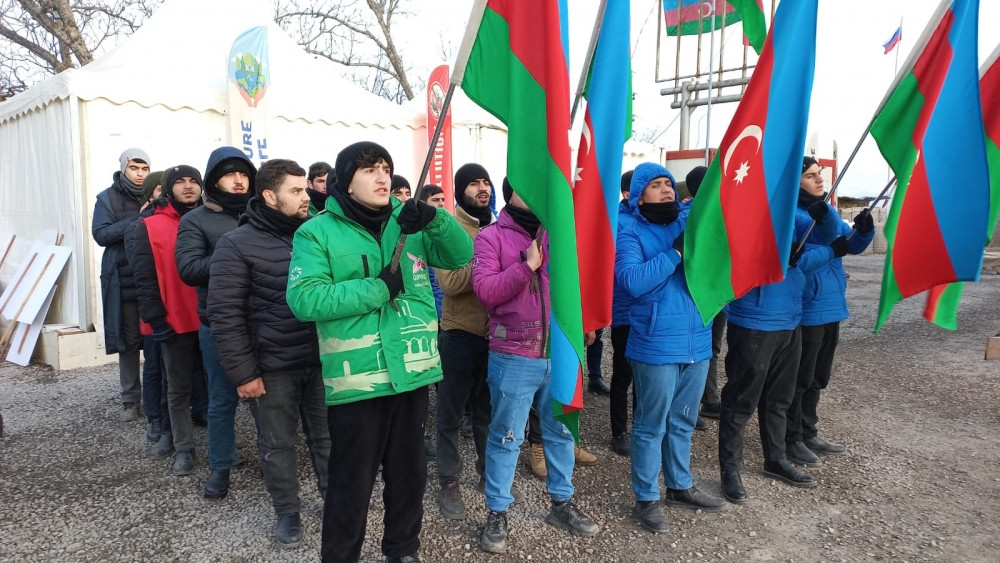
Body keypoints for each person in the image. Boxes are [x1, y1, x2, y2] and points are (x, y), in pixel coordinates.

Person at [286, 141, 473, 563]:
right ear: (345, 182)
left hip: (412, 369)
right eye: (370, 169)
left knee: (409, 475)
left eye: (386, 168)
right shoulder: (315, 232)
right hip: (359, 380)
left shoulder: (409, 224)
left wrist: (435, 219)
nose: (382, 176)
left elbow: (463, 255)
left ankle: (403, 549)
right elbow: (305, 299)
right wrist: (377, 289)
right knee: (351, 481)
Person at [473, 177, 600, 554]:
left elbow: (578, 284)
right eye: (526, 184)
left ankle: (561, 503)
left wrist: (586, 324)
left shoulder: (561, 233)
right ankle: (497, 511)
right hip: (514, 353)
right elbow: (486, 293)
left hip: (559, 351)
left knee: (560, 433)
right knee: (507, 436)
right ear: (510, 189)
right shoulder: (491, 237)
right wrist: (525, 267)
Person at [209, 159, 330, 547]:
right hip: (272, 365)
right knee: (278, 444)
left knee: (328, 439)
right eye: (295, 191)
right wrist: (244, 373)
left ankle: (336, 501)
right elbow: (224, 315)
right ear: (269, 196)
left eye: (304, 189)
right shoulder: (236, 244)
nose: (305, 196)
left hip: (321, 358)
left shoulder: (316, 234)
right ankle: (288, 513)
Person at [717, 173, 841, 503]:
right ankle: (730, 469)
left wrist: (823, 213)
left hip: (790, 321)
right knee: (741, 400)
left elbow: (829, 237)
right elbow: (729, 259)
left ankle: (775, 459)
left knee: (780, 399)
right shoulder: (742, 213)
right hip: (754, 322)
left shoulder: (791, 217)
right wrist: (765, 259)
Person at [615, 163, 725, 533]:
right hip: (655, 344)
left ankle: (679, 485)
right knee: (650, 425)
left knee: (683, 421)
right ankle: (646, 497)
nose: (666, 190)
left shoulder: (687, 222)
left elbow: (718, 199)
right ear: (638, 194)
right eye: (656, 185)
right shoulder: (629, 232)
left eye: (668, 184)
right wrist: (675, 254)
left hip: (697, 341)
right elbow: (632, 281)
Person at [432, 164, 523, 520]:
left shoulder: (502, 225)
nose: (482, 188)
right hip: (459, 334)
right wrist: (488, 257)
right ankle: (449, 481)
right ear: (459, 190)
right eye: (474, 183)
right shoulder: (447, 229)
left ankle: (488, 473)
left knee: (487, 412)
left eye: (486, 182)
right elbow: (451, 284)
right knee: (450, 414)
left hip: (496, 336)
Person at [176, 147, 256, 499]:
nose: (238, 181)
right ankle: (220, 467)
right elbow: (189, 269)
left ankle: (275, 464)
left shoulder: (263, 214)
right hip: (220, 324)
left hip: (264, 322)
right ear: (214, 179)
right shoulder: (195, 220)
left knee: (268, 403)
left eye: (243, 174)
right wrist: (233, 255)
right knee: (221, 400)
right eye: (229, 174)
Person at [785, 157, 875, 465]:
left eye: (819, 174)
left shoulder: (828, 211)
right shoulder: (793, 216)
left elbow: (848, 246)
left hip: (832, 304)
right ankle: (791, 437)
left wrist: (862, 233)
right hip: (808, 307)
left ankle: (809, 430)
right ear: (795, 182)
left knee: (819, 376)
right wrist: (832, 250)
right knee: (800, 377)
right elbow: (798, 262)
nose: (819, 180)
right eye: (810, 176)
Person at [132, 165, 205, 475]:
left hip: (213, 318)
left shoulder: (212, 221)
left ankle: (222, 447)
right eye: (181, 182)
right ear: (168, 187)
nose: (188, 187)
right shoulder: (148, 226)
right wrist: (156, 319)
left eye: (194, 181)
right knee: (176, 388)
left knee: (218, 389)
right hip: (174, 320)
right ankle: (182, 446)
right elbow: (144, 278)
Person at [93, 148, 151, 423]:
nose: (140, 174)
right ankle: (130, 400)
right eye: (134, 168)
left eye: (144, 169)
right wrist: (137, 219)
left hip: (151, 279)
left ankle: (156, 397)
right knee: (128, 344)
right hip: (122, 280)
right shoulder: (107, 198)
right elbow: (101, 234)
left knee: (155, 340)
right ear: (123, 168)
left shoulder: (155, 193)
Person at [610, 169, 636, 456]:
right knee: (623, 372)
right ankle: (619, 430)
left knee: (647, 374)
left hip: (652, 309)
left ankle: (640, 425)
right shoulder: (616, 221)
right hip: (625, 310)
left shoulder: (660, 218)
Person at [417, 184, 446, 317]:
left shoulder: (446, 230)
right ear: (423, 203)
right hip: (428, 313)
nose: (441, 203)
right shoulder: (416, 234)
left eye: (443, 200)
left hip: (445, 311)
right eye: (435, 200)